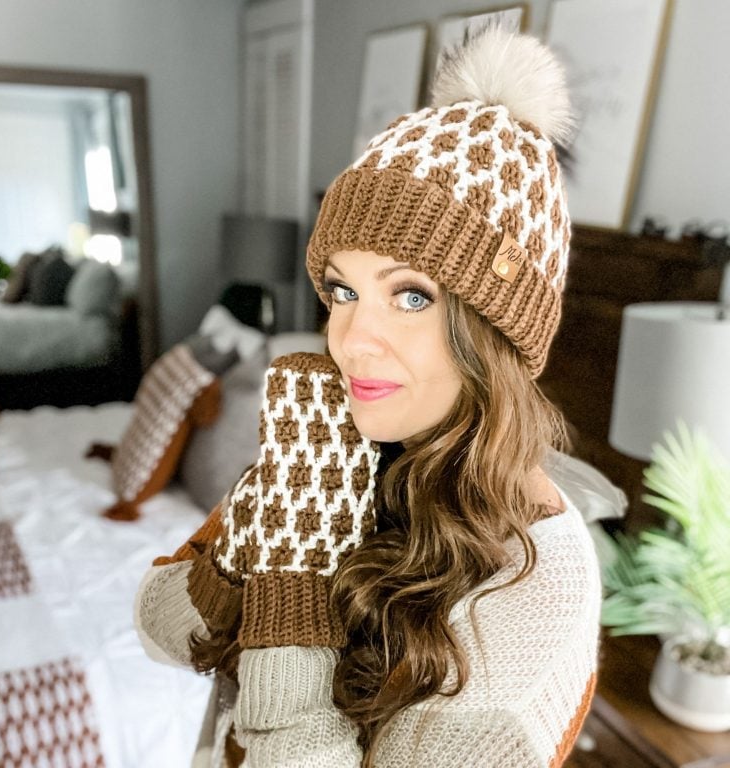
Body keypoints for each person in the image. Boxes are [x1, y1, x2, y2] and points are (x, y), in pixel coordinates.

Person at [135, 23, 601, 767]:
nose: (351, 341)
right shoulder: (336, 446)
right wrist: (259, 521)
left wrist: (291, 589)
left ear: (498, 332)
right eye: (343, 290)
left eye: (411, 296)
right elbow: (162, 628)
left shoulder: (532, 593)